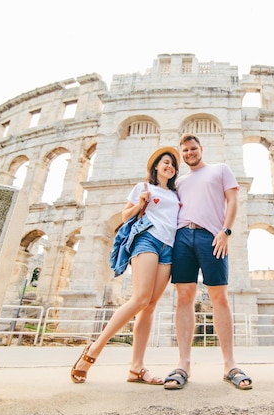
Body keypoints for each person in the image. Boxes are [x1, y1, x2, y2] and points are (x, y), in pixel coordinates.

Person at [71, 146, 180, 385]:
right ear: (155, 166)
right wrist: (140, 203)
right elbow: (124, 217)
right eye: (165, 162)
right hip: (147, 238)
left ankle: (136, 368)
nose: (169, 166)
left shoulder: (176, 194)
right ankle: (93, 351)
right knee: (140, 299)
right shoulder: (143, 188)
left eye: (173, 164)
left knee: (150, 306)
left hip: (169, 247)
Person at [163, 133, 253, 390]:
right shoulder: (179, 181)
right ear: (182, 153)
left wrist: (226, 231)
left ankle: (230, 365)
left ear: (201, 148)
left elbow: (233, 200)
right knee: (183, 297)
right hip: (182, 236)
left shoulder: (220, 169)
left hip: (212, 236)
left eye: (193, 148)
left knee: (219, 297)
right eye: (185, 150)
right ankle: (183, 364)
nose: (190, 153)